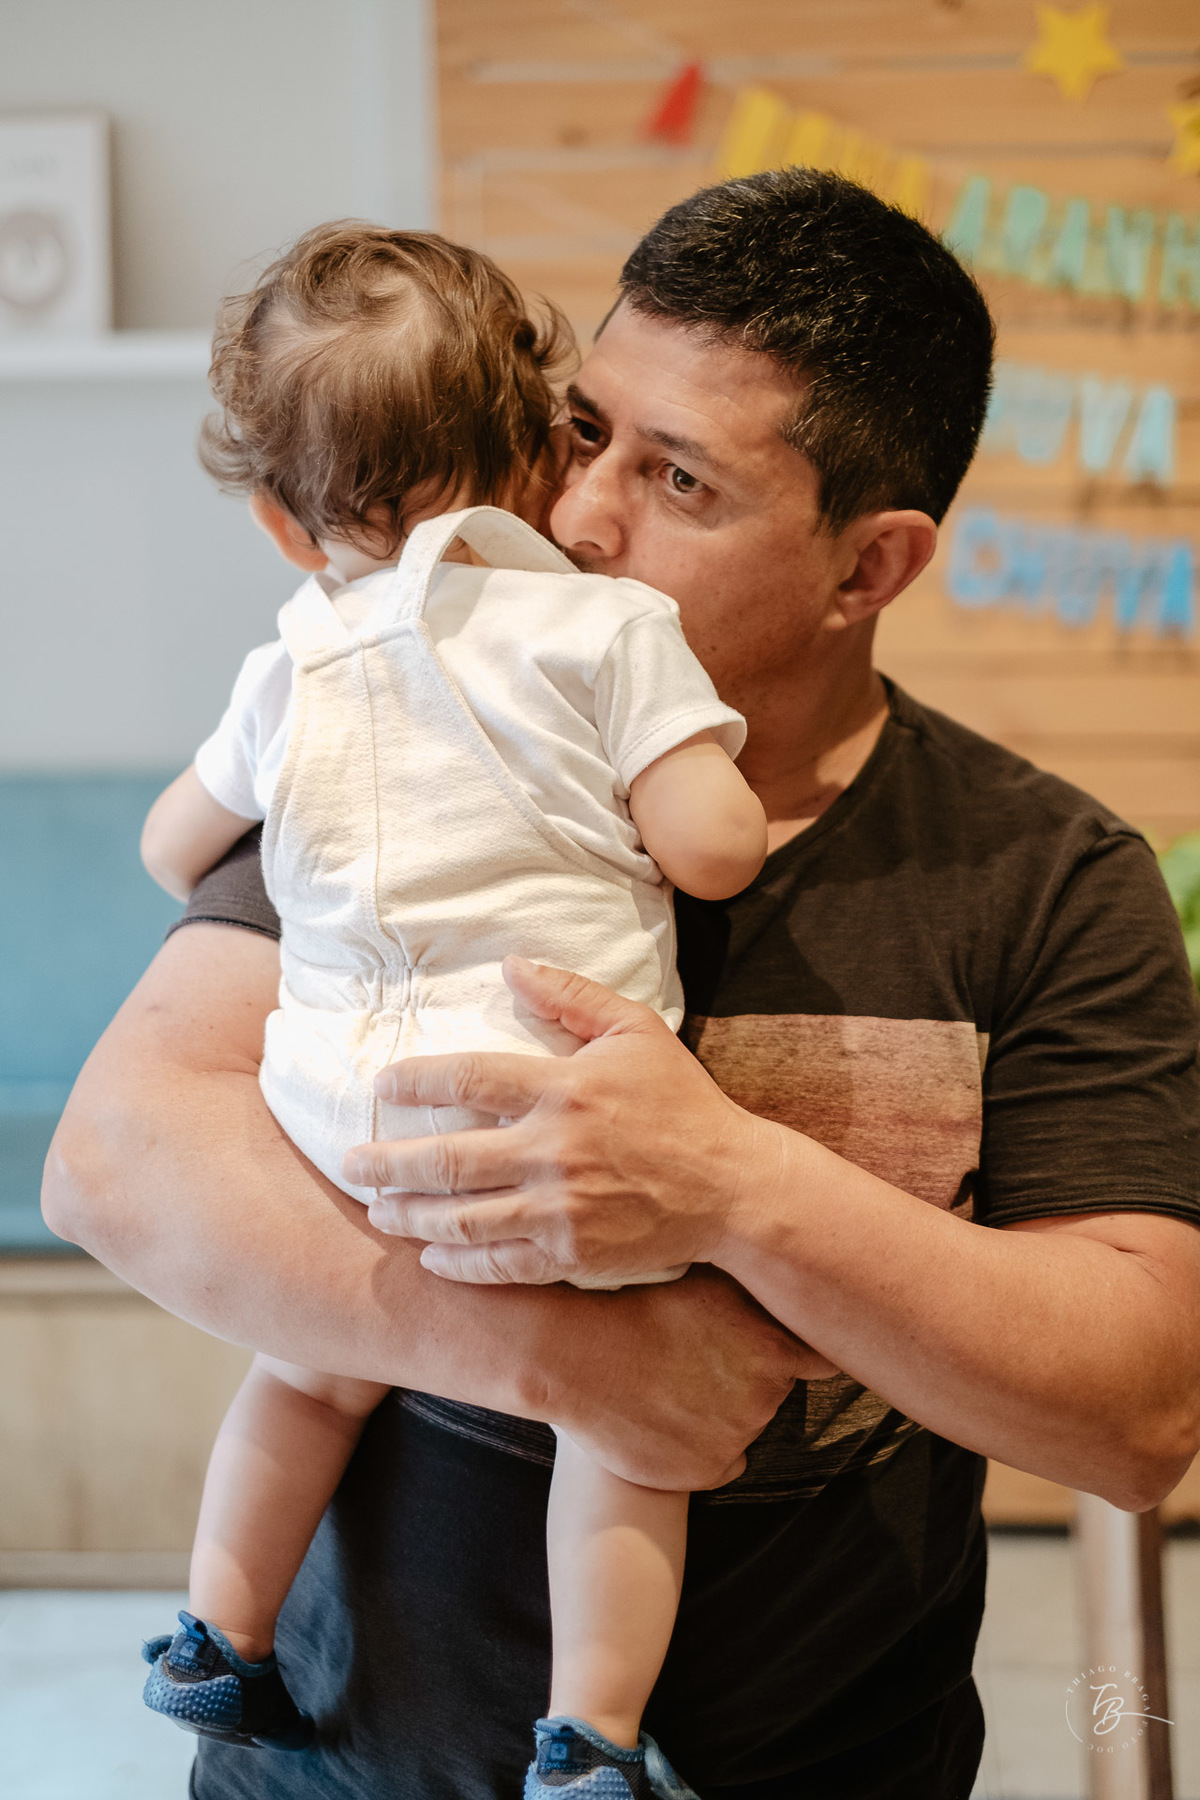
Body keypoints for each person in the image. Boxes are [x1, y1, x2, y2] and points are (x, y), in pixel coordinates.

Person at [44, 169, 1200, 1800]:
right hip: (331, 1767)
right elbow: (117, 1161)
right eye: (584, 429)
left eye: (680, 479)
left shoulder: (1043, 880)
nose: (583, 513)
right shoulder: (414, 732)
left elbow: (1140, 1408)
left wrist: (734, 1189)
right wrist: (572, 1363)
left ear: (869, 567)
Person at [133, 222, 766, 1795]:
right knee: (619, 1431)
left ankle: (219, 1635)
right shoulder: (608, 630)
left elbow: (170, 848)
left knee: (306, 1365)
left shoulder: (291, 658)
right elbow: (710, 847)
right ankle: (591, 1735)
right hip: (532, 1106)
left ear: (288, 526)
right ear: (543, 458)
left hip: (340, 1116)